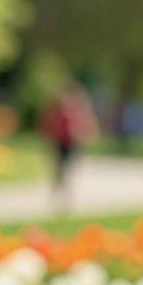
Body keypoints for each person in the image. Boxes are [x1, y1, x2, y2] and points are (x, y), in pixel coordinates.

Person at [40, 84, 96, 215]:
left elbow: (84, 124)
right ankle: (59, 189)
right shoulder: (57, 110)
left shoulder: (75, 110)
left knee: (68, 167)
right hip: (59, 142)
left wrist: (85, 136)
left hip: (71, 142)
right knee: (59, 167)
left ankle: (64, 192)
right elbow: (49, 125)